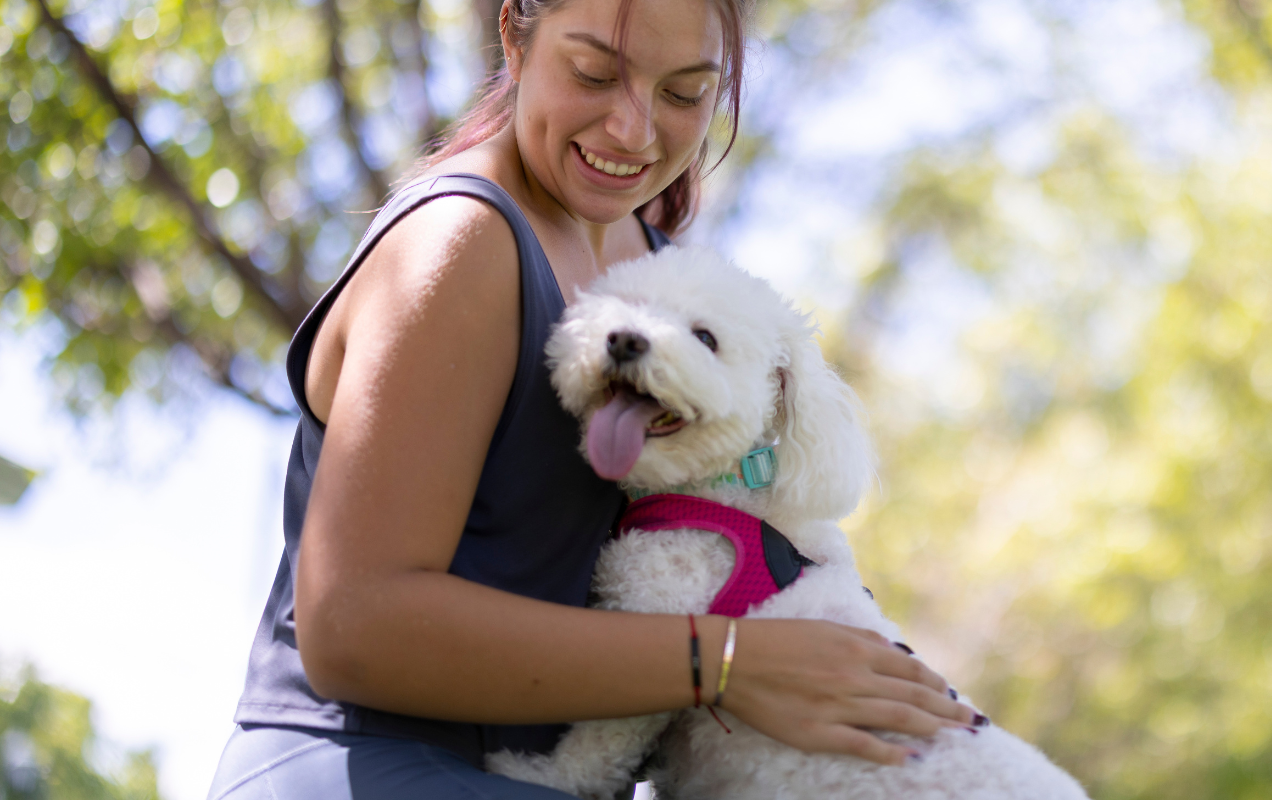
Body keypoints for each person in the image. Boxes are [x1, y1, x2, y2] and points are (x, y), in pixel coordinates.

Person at [206, 0, 976, 797]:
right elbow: (352, 626)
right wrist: (721, 663)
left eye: (684, 94)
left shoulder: (658, 276)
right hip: (371, 767)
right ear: (515, 33)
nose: (634, 131)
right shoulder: (461, 243)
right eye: (595, 74)